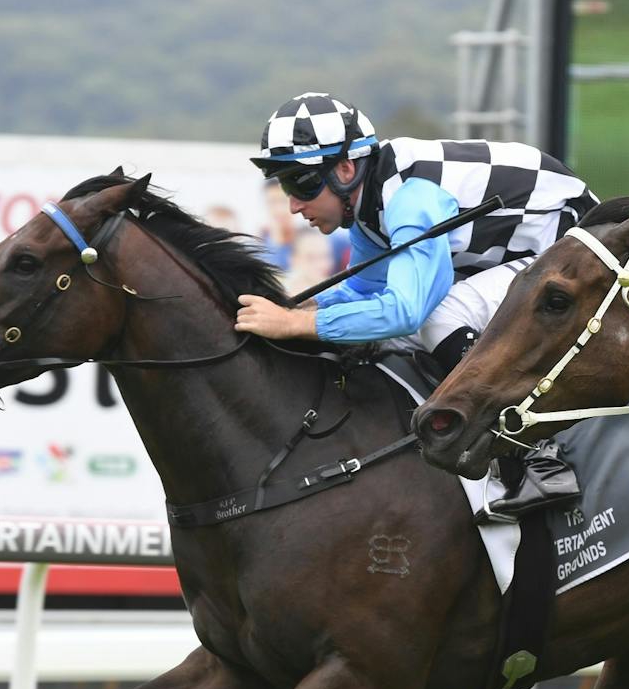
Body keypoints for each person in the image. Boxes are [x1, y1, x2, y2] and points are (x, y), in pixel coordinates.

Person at [235, 91, 599, 512]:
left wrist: (292, 325)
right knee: (395, 335)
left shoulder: (408, 199)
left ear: (346, 168)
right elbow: (362, 291)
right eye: (284, 184)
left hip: (571, 251)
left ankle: (541, 460)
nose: (295, 204)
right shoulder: (371, 206)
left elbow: (406, 311)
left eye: (302, 184)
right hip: (525, 255)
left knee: (439, 317)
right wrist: (295, 312)